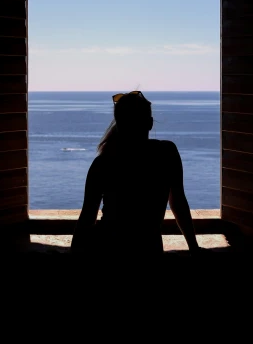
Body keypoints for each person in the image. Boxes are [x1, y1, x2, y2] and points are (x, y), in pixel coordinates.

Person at [71, 91, 201, 256]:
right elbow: (178, 203)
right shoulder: (167, 153)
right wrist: (193, 247)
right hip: (148, 247)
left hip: (106, 248)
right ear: (150, 123)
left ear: (119, 123)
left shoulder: (103, 162)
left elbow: (87, 219)